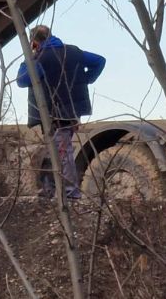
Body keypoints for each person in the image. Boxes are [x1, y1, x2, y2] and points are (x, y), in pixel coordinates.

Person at [16, 25, 105, 199]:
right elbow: (100, 61)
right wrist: (86, 79)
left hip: (54, 112)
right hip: (72, 110)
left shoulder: (40, 59)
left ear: (34, 42)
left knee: (63, 151)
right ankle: (50, 190)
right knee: (57, 150)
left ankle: (71, 194)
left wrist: (28, 59)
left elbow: (22, 80)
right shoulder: (74, 52)